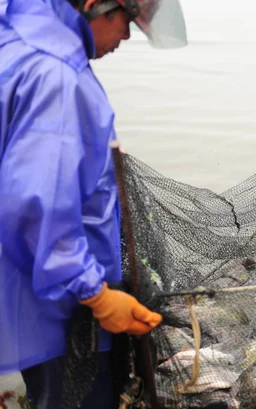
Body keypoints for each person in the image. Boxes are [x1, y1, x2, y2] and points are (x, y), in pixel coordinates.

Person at [0, 0, 187, 408]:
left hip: (25, 289)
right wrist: (96, 296)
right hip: (60, 311)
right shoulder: (55, 77)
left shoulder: (16, 39)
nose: (126, 35)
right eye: (126, 20)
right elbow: (35, 206)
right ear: (92, 5)